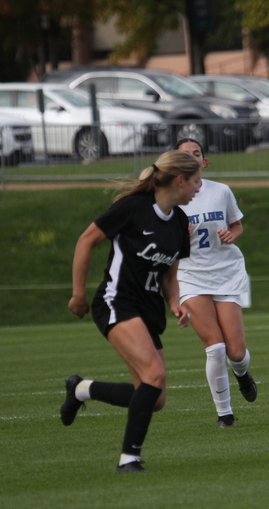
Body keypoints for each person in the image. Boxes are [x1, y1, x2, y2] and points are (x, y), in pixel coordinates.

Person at [60, 150, 202, 472]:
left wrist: (175, 303)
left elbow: (169, 273)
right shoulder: (133, 208)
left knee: (156, 398)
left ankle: (81, 389)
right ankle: (129, 459)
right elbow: (86, 241)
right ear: (179, 180)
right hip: (117, 301)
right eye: (196, 181)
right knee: (155, 375)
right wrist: (78, 294)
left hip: (149, 312)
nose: (198, 188)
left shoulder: (180, 222)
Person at [174, 138, 257, 428]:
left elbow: (236, 225)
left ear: (205, 161)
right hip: (190, 275)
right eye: (186, 155)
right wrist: (178, 235)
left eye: (197, 154)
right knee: (215, 347)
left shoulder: (220, 190)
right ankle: (225, 414)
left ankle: (243, 373)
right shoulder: (168, 198)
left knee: (236, 352)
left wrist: (233, 234)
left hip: (226, 272)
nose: (193, 158)